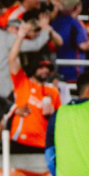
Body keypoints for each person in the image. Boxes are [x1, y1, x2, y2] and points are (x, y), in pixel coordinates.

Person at [7, 20, 61, 154]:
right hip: (19, 141)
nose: (44, 71)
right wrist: (20, 35)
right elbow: (12, 59)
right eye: (40, 67)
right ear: (33, 68)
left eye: (47, 68)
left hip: (43, 144)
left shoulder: (53, 91)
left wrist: (53, 113)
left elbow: (60, 121)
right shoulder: (22, 82)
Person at [52, 0, 89, 83]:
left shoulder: (55, 22)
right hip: (75, 71)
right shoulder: (76, 23)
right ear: (78, 6)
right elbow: (84, 46)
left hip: (58, 69)